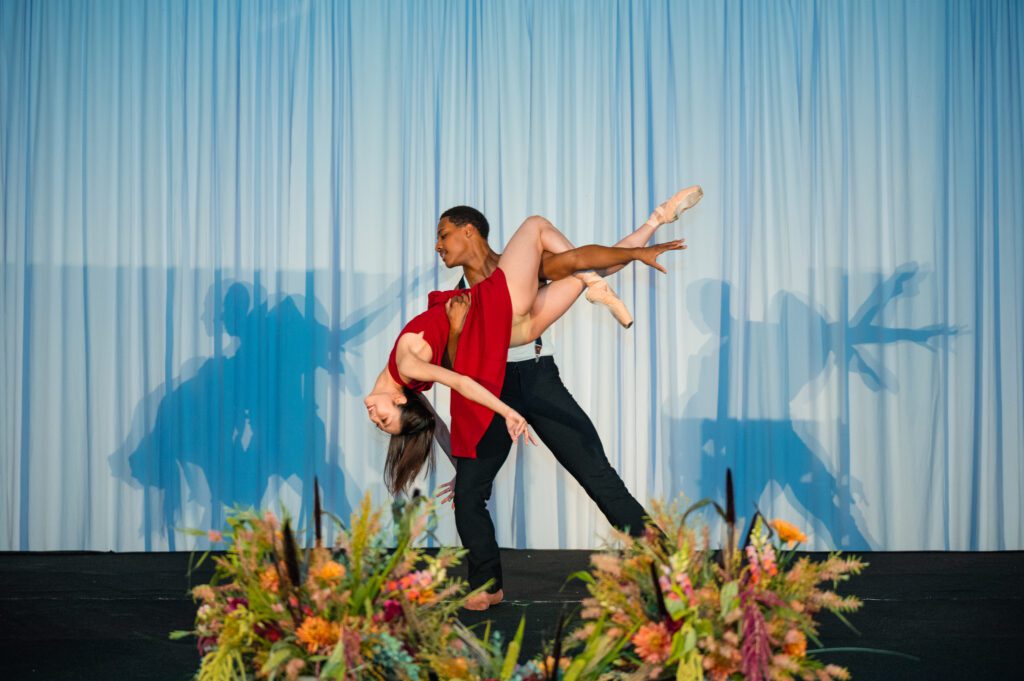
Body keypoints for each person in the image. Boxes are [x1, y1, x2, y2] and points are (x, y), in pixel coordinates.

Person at [364, 186, 702, 608]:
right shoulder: (456, 299)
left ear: (469, 232)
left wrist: (646, 235)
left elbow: (584, 261)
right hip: (488, 389)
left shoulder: (520, 267)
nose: (437, 246)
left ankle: (667, 567)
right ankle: (486, 586)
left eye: (443, 235)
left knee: (597, 475)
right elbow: (447, 385)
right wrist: (463, 464)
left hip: (537, 377)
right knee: (469, 494)